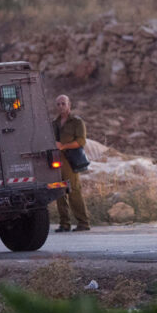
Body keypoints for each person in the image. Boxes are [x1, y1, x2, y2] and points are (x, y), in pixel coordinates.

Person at [52, 94, 90, 232]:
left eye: (63, 103)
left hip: (70, 160)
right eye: (58, 104)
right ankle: (64, 223)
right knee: (59, 192)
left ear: (69, 105)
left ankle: (83, 222)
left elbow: (81, 141)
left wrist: (63, 146)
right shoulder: (54, 123)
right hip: (57, 162)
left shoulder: (76, 122)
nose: (61, 106)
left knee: (74, 191)